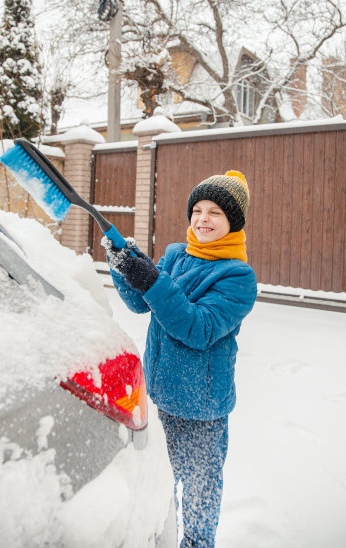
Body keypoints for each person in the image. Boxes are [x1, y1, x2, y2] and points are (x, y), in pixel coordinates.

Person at [104, 170, 257, 547]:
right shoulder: (175, 254)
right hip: (156, 396)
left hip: (201, 409)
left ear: (233, 222)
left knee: (200, 494)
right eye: (198, 210)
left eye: (215, 213)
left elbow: (198, 328)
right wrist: (124, 268)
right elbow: (141, 303)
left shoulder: (238, 277)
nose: (203, 219)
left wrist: (151, 278)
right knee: (157, 485)